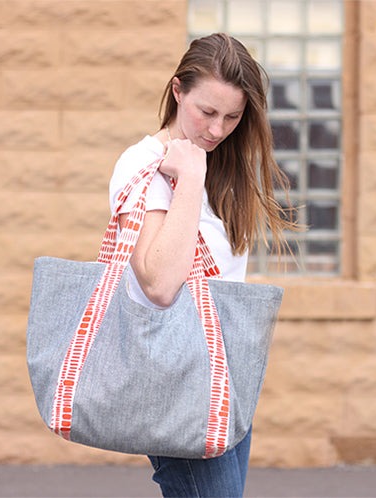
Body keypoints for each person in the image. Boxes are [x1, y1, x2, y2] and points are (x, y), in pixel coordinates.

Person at [108, 33, 296, 498]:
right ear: (177, 91)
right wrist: (189, 177)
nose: (217, 130)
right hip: (176, 378)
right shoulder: (145, 164)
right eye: (206, 112)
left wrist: (201, 169)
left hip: (224, 376)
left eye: (232, 117)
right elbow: (159, 284)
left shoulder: (222, 165)